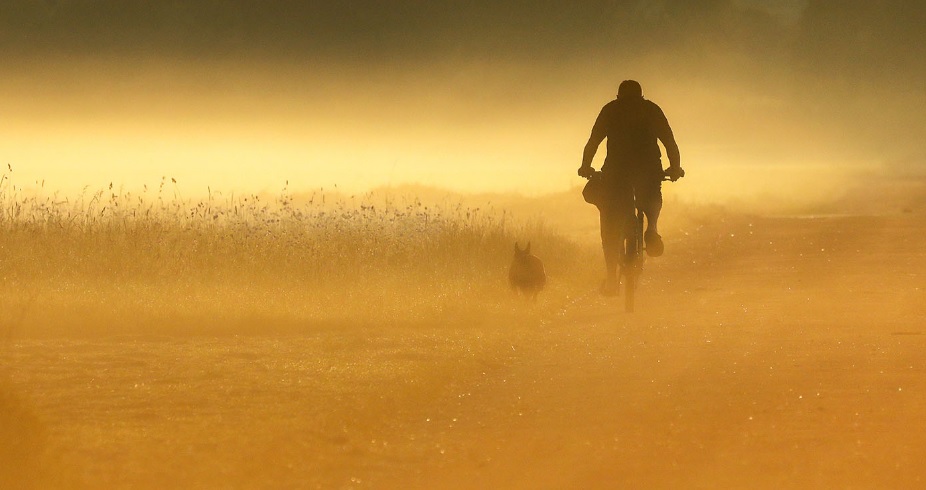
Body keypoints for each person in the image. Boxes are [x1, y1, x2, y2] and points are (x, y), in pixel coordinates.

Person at [577, 80, 684, 296]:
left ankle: (611, 280)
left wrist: (586, 165)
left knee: (609, 225)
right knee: (652, 195)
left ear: (618, 96)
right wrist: (675, 167)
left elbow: (594, 141)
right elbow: (669, 141)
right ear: (641, 95)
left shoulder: (610, 110)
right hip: (649, 169)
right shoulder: (651, 109)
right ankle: (651, 229)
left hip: (616, 172)